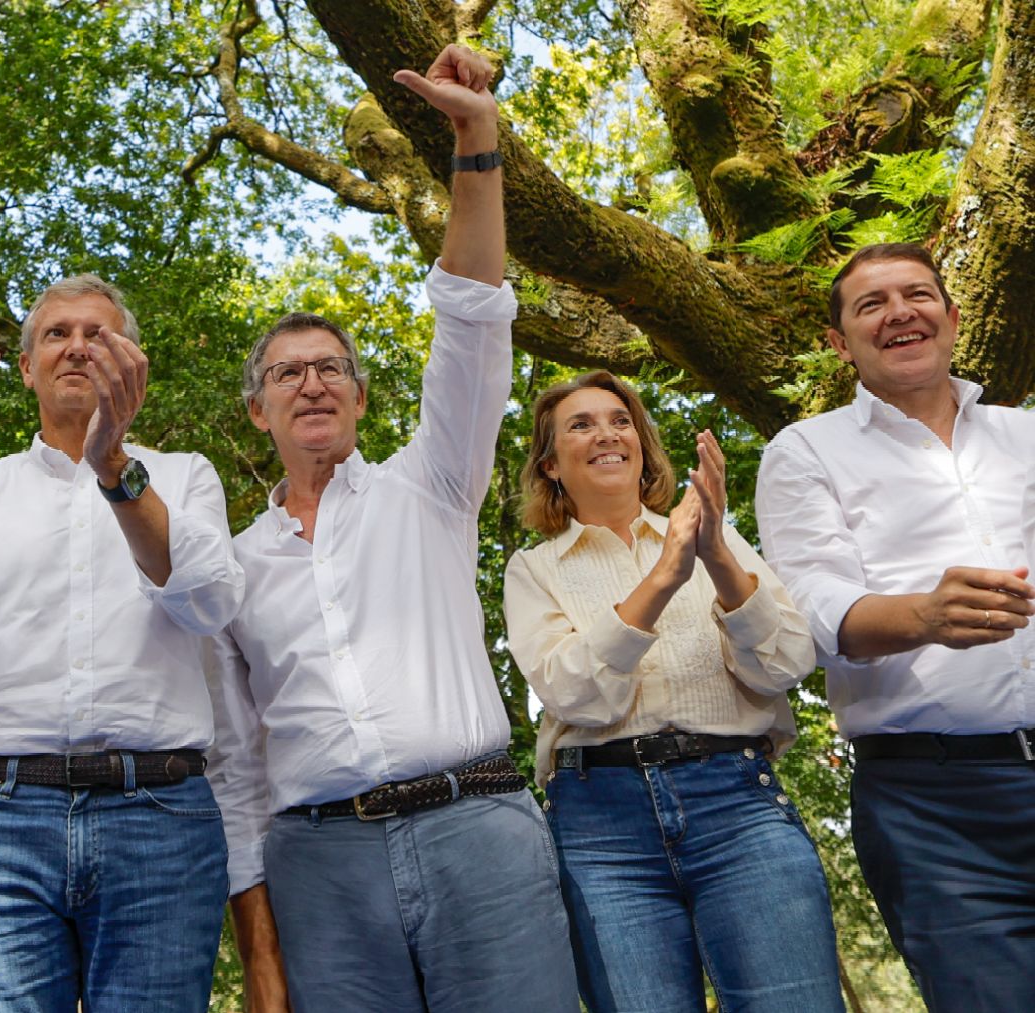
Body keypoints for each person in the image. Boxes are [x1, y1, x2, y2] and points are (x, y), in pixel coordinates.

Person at [207, 44, 578, 1013]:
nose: (312, 380)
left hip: (477, 830)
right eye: (287, 372)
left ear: (363, 397)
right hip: (318, 862)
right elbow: (236, 761)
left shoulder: (433, 484)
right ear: (258, 411)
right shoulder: (230, 568)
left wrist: (475, 140)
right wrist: (260, 957)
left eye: (331, 366)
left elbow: (470, 322)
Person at [0, 275, 244, 1012]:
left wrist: (114, 468)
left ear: (131, 359)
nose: (77, 346)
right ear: (27, 365)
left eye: (97, 334)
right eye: (56, 334)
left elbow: (209, 601)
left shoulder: (181, 474)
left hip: (159, 817)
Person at [503, 370, 842, 1011]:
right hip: (600, 826)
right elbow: (577, 696)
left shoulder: (722, 538)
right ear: (550, 464)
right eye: (582, 424)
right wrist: (663, 578)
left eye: (621, 419)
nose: (608, 433)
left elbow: (786, 663)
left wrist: (714, 553)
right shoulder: (532, 569)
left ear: (641, 443)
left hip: (737, 805)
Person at [755, 242, 1035, 1010]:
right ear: (839, 343)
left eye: (917, 294)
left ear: (949, 315)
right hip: (936, 805)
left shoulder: (1027, 435)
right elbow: (809, 610)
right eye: (871, 304)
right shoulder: (805, 450)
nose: (900, 311)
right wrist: (925, 616)